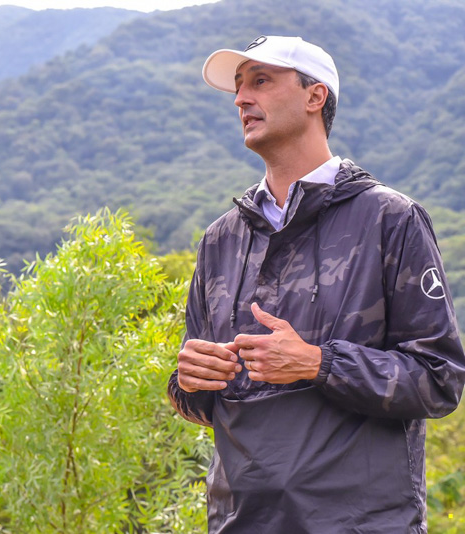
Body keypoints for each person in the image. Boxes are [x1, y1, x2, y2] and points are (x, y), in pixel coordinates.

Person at [167, 35, 465, 532]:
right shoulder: (221, 239)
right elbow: (197, 401)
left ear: (315, 96)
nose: (241, 98)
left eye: (260, 81)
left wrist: (318, 362)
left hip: (360, 524)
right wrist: (189, 382)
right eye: (239, 87)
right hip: (238, 522)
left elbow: (439, 379)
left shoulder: (390, 219)